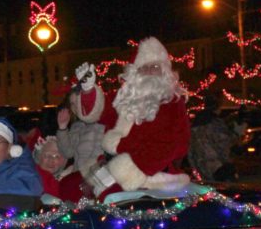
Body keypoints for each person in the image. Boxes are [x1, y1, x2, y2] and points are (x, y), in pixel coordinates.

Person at [90, 37, 191, 200]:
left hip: (153, 175)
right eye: (145, 68)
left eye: (155, 67)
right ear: (135, 72)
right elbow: (98, 114)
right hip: (115, 168)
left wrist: (129, 163)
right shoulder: (123, 99)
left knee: (108, 202)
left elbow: (173, 144)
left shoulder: (172, 103)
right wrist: (88, 92)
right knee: (79, 190)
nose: (150, 71)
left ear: (164, 71)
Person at [56, 62, 113, 187]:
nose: (75, 106)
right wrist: (62, 128)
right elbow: (68, 152)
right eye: (72, 103)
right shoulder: (77, 126)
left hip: (98, 178)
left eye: (77, 101)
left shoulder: (102, 122)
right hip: (78, 177)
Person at [188, 94, 239, 182]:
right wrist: (237, 134)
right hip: (217, 167)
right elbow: (224, 144)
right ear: (217, 107)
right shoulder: (215, 123)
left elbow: (190, 149)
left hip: (201, 167)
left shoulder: (195, 124)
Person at [32, 135, 84, 202]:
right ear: (39, 157)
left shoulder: (67, 174)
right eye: (47, 155)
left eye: (57, 156)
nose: (51, 160)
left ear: (63, 161)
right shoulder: (36, 174)